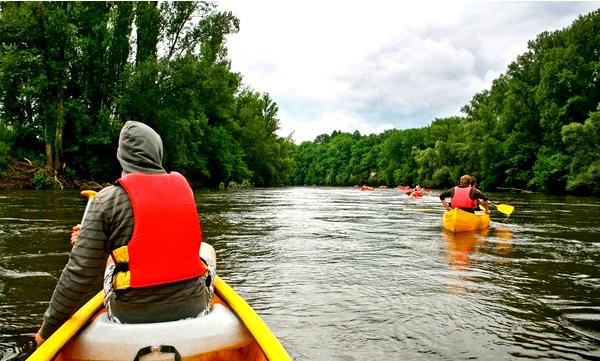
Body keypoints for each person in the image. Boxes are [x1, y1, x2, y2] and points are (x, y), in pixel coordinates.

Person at [35, 121, 217, 346]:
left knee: (111, 259)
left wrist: (46, 331)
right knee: (207, 249)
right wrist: (92, 237)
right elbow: (163, 236)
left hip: (129, 316)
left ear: (121, 156)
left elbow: (79, 274)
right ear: (157, 152)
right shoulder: (184, 188)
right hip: (193, 307)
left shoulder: (106, 199)